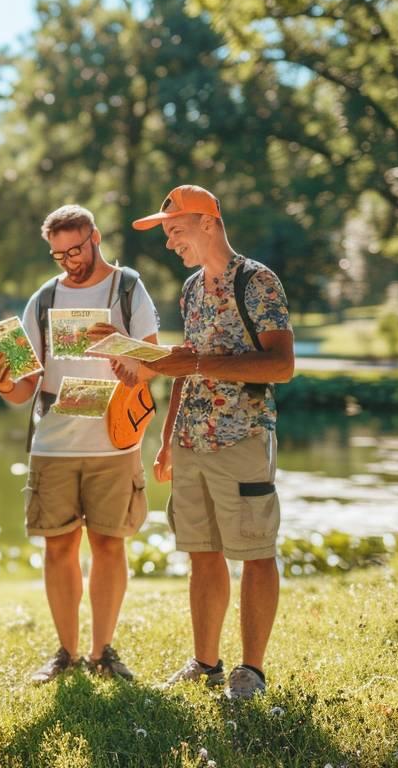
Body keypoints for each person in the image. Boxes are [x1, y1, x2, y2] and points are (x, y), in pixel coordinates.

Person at [0, 204, 161, 684]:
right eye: (58, 254)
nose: (68, 261)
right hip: (54, 443)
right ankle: (66, 652)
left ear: (95, 237)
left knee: (108, 544)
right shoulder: (43, 300)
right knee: (58, 549)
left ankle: (104, 653)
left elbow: (152, 362)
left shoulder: (127, 287)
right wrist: (1, 381)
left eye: (75, 249)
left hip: (115, 443)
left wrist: (124, 353)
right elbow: (24, 390)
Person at [129, 185, 294, 701]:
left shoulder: (258, 281)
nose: (169, 243)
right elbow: (188, 362)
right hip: (192, 441)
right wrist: (167, 438)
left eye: (174, 230)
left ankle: (252, 671)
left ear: (206, 222)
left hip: (242, 436)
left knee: (255, 551)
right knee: (203, 551)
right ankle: (206, 664)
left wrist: (195, 362)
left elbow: (281, 365)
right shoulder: (192, 290)